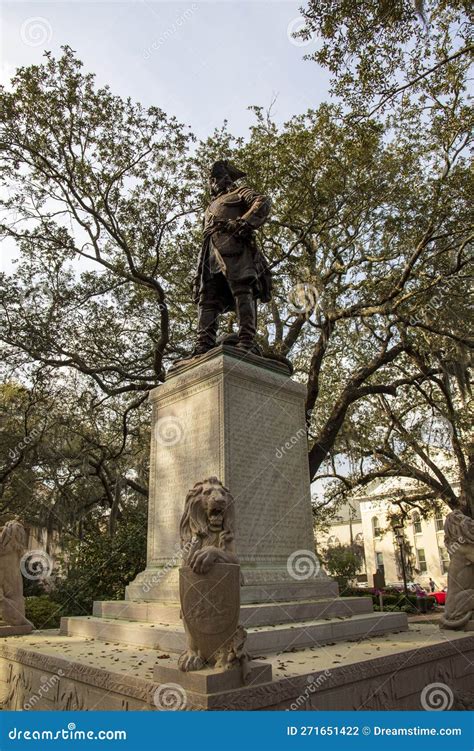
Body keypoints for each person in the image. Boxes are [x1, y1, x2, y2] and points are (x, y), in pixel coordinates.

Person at [191, 160, 272, 354]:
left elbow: (262, 201)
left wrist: (241, 223)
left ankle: (246, 339)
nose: (217, 182)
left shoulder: (240, 192)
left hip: (235, 250)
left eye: (220, 177)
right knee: (207, 298)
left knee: (243, 290)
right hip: (209, 252)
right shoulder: (209, 206)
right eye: (214, 179)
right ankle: (204, 343)